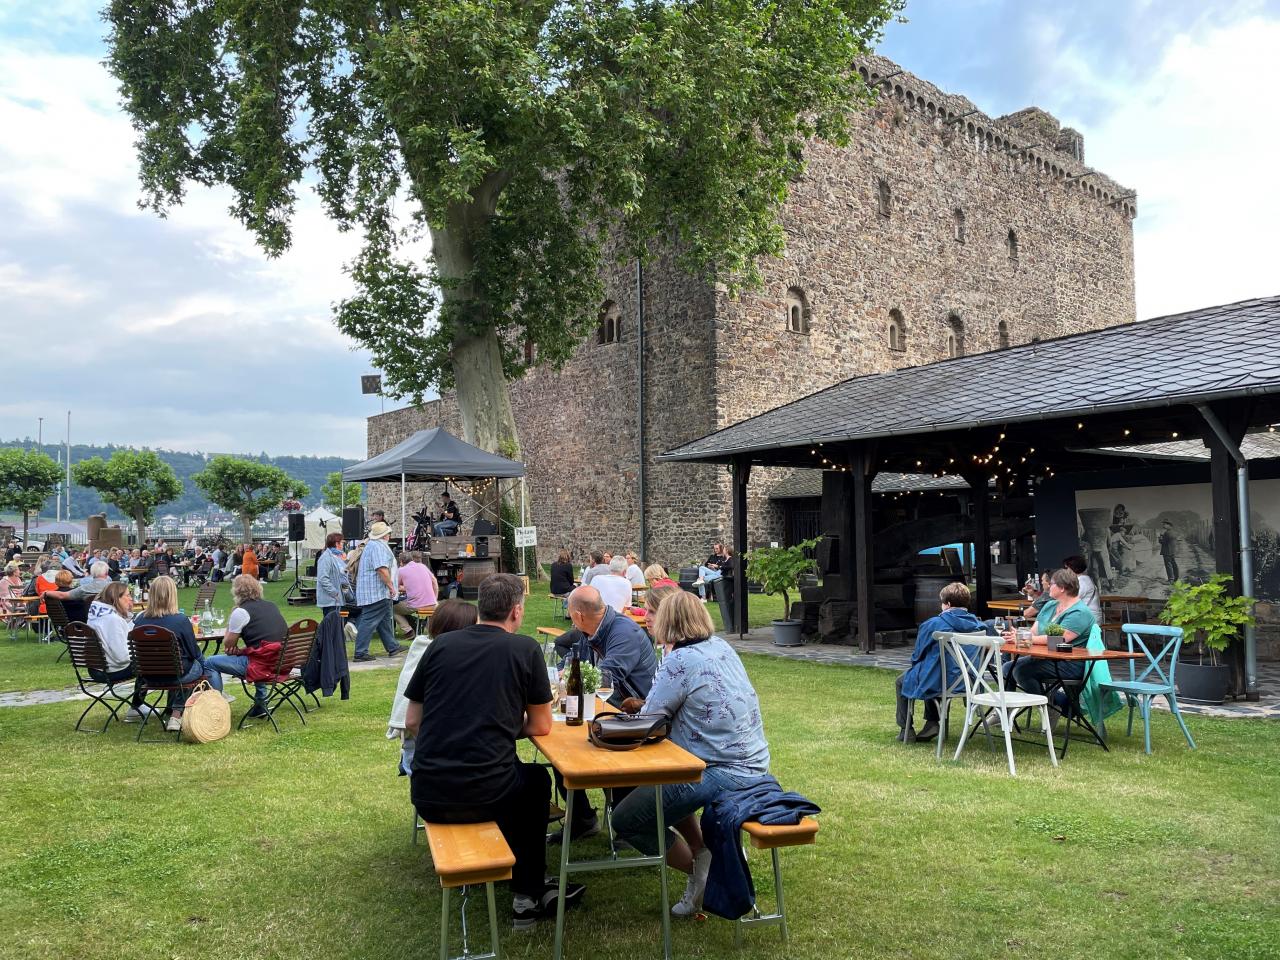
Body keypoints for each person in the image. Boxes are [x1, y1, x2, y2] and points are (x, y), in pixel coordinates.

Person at [403, 573, 584, 929]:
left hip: (428, 791)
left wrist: (457, 730)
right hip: (485, 792)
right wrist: (499, 726)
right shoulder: (524, 649)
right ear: (516, 611)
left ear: (480, 607)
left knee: (517, 777)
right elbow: (541, 726)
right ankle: (527, 895)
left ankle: (523, 880)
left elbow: (412, 719)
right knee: (534, 784)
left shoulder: (440, 646)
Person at [612, 590, 770, 919]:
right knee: (664, 778)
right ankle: (703, 854)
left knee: (626, 820)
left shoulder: (679, 660)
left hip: (718, 769)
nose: (648, 620)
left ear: (669, 622)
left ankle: (706, 875)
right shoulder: (721, 647)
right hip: (754, 763)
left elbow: (649, 723)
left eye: (653, 616)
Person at [550, 586, 662, 843]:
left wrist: (566, 683)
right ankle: (582, 819)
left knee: (582, 745)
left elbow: (606, 678)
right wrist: (558, 675)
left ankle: (628, 821)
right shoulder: (590, 632)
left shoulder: (624, 633)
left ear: (578, 615)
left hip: (640, 717)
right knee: (560, 752)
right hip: (610, 709)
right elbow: (571, 662)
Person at [389, 599, 478, 776]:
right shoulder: (440, 657)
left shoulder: (422, 646)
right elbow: (413, 722)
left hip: (420, 747)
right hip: (426, 749)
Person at [895, 581, 987, 743]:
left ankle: (906, 729)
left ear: (948, 604)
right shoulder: (980, 626)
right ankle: (931, 723)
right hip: (970, 682)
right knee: (933, 671)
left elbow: (917, 656)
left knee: (907, 679)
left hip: (939, 681)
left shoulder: (933, 624)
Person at [134, 575, 223, 732]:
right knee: (197, 666)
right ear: (172, 595)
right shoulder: (180, 620)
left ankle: (173, 709)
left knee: (183, 666)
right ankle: (178, 714)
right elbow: (194, 652)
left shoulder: (139, 620)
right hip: (176, 675)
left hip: (149, 675)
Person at [1006, 568, 1097, 700]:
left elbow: (1058, 639)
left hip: (1070, 663)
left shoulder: (1080, 612)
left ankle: (1053, 705)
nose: (1048, 586)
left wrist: (1025, 638)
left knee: (1021, 671)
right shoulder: (1050, 606)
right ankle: (1005, 710)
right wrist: (1019, 634)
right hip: (1046, 658)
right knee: (1007, 668)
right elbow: (1034, 631)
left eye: (1052, 583)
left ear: (1062, 588)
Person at [206, 574, 289, 719]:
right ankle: (261, 705)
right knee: (257, 655)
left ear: (236, 591)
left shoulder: (240, 612)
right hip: (281, 662)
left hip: (261, 666)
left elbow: (228, 643)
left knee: (210, 662)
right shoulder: (271, 606)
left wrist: (231, 619)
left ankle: (216, 706)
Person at [85, 582, 152, 722]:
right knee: (153, 661)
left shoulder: (97, 615)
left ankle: (138, 705)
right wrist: (142, 651)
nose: (131, 599)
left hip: (95, 668)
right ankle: (137, 706)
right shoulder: (112, 620)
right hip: (109, 670)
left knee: (148, 659)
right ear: (117, 598)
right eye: (127, 595)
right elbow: (122, 657)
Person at [353, 521, 404, 662]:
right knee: (369, 620)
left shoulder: (373, 545)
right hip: (376, 592)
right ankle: (360, 652)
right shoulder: (378, 547)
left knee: (384, 620)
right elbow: (381, 569)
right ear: (386, 535)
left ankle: (392, 646)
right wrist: (391, 586)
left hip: (375, 591)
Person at [46, 561, 113, 622]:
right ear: (107, 573)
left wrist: (47, 592)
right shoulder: (115, 589)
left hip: (89, 623)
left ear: (92, 573)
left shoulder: (83, 589)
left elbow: (62, 595)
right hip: (111, 622)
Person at [394, 550, 439, 638]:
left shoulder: (401, 570)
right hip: (432, 602)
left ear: (401, 562)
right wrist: (435, 598)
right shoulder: (422, 566)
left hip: (415, 605)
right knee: (404, 606)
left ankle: (408, 631)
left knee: (391, 608)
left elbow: (395, 587)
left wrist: (406, 588)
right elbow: (434, 581)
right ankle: (416, 625)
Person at [315, 532, 351, 619]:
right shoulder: (325, 558)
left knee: (341, 623)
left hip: (341, 600)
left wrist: (346, 594)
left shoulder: (338, 557)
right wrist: (335, 593)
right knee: (332, 626)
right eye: (342, 542)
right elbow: (323, 578)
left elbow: (343, 577)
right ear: (336, 543)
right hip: (331, 601)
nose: (343, 545)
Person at [1062, 555, 1102, 623]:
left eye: (1067, 568)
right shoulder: (1084, 580)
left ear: (1073, 568)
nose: (1065, 571)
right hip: (1088, 617)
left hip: (1088, 619)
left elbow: (1071, 600)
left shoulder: (1082, 582)